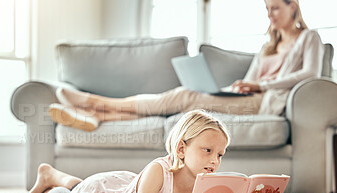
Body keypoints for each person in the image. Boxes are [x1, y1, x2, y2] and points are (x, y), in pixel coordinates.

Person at [48, 0, 324, 132]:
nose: (270, 14)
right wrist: (234, 88)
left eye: (275, 7)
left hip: (266, 102)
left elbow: (311, 74)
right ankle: (99, 116)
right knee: (185, 102)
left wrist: (259, 85)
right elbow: (250, 80)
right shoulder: (267, 46)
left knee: (184, 95)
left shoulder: (308, 38)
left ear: (293, 6)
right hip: (246, 97)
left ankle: (94, 103)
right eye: (267, 9)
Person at [29, 110, 281, 193]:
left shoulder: (210, 182)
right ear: (181, 148)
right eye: (207, 150)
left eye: (220, 154)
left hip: (130, 185)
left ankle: (51, 173)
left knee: (78, 186)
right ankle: (49, 177)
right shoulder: (158, 170)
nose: (215, 160)